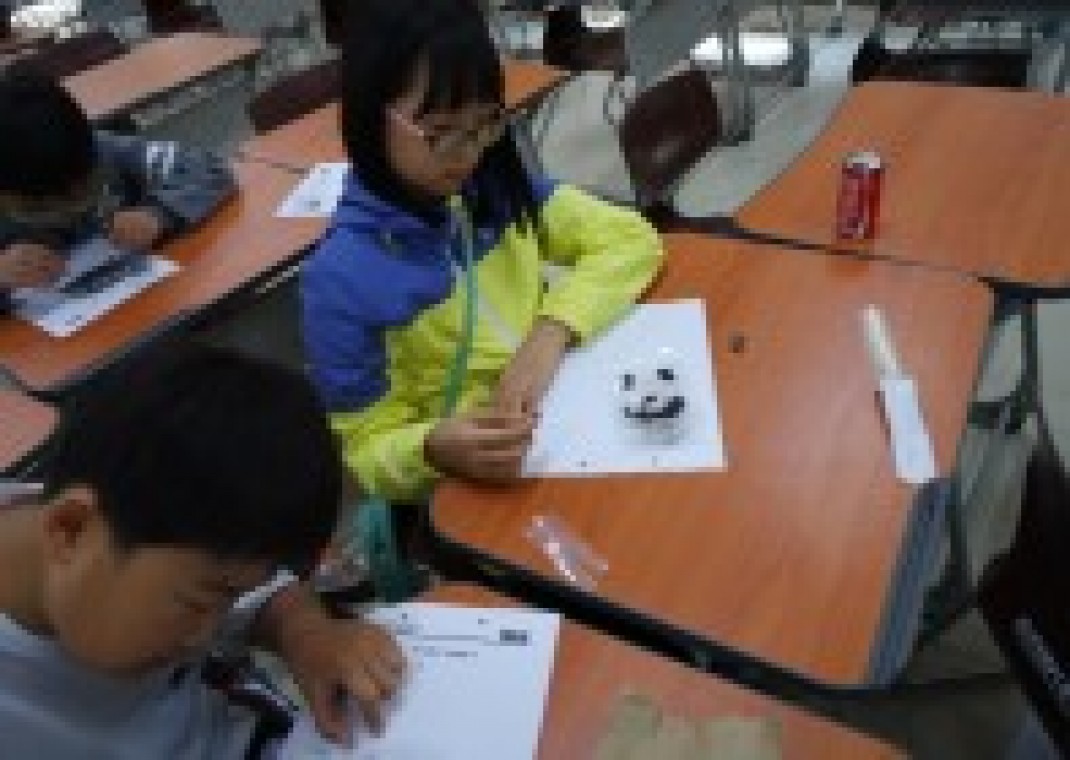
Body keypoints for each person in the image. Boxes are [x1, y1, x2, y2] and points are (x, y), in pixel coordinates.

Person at [301, 0, 665, 504]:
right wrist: (431, 449)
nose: (468, 154)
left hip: (564, 421)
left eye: (483, 126)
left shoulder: (491, 189)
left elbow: (630, 238)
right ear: (369, 114)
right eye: (441, 132)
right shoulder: (341, 280)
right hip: (473, 487)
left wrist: (550, 333)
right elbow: (365, 448)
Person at [0, 343, 404, 758]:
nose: (203, 638)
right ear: (68, 529)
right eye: (195, 604)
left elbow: (256, 588)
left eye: (226, 600)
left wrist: (308, 637)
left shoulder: (134, 516)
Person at [0, 70, 236, 313]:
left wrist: (158, 214)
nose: (65, 213)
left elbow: (210, 169)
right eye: (37, 208)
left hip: (153, 301)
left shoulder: (101, 150)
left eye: (80, 195)